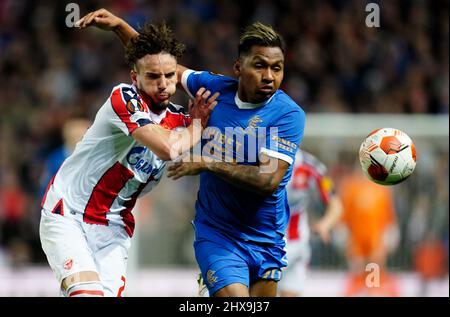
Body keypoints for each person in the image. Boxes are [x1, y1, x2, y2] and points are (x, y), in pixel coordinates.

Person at [77, 8, 305, 297]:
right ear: (238, 67)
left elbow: (268, 181)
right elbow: (161, 66)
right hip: (218, 234)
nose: (269, 76)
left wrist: (209, 163)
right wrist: (120, 26)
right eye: (259, 66)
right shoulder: (214, 90)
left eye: (277, 68)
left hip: (267, 238)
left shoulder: (288, 114)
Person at [39, 22, 219, 297]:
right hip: (69, 214)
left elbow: (223, 124)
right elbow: (167, 148)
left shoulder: (182, 119)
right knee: (86, 294)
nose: (163, 85)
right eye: (153, 76)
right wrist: (197, 127)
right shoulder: (123, 97)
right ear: (135, 77)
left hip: (114, 228)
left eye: (170, 76)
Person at [278, 150, 343, 297]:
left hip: (298, 245)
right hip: (267, 246)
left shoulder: (311, 165)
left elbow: (336, 204)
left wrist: (325, 224)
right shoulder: (259, 160)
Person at [337, 164, 400, 297]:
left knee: (375, 271)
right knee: (357, 270)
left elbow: (388, 216)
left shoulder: (381, 189)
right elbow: (344, 217)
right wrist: (344, 238)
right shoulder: (350, 188)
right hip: (356, 242)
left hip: (376, 241)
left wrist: (389, 235)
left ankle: (374, 292)